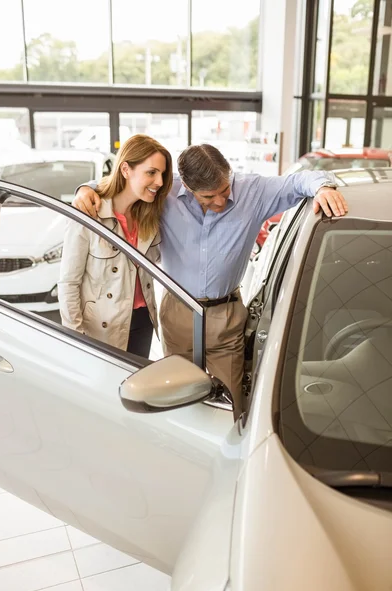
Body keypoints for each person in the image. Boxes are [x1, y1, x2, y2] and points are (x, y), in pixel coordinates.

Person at [72, 143, 348, 418]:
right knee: (175, 402)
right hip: (177, 312)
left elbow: (300, 180)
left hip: (225, 317)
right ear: (189, 189)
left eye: (224, 191)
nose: (219, 200)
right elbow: (122, 185)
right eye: (208, 196)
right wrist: (85, 188)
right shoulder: (165, 192)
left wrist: (323, 187)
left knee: (228, 407)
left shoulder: (253, 191)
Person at [58, 134, 173, 358]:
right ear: (125, 170)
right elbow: (68, 283)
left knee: (132, 389)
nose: (159, 182)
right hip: (101, 328)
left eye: (162, 174)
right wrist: (75, 337)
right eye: (151, 172)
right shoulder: (89, 212)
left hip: (142, 319)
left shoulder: (149, 215)